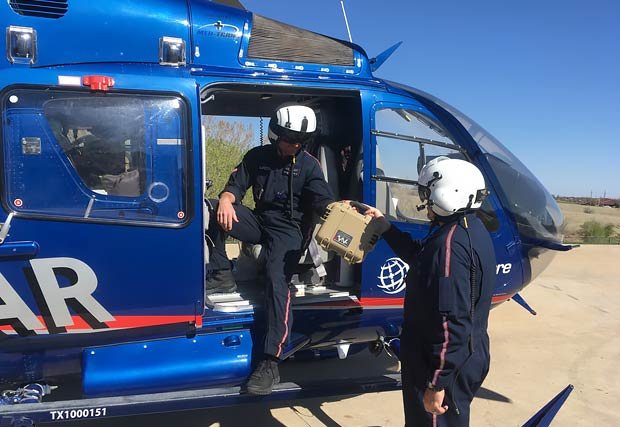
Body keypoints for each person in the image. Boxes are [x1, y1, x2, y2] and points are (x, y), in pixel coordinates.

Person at [205, 103, 335, 395]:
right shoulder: (256, 157)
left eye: (302, 141)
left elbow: (323, 201)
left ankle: (270, 361)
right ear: (276, 135)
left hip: (290, 232)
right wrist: (226, 199)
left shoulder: (310, 165)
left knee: (278, 282)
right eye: (291, 139)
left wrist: (337, 210)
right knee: (212, 209)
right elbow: (235, 187)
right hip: (261, 220)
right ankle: (221, 272)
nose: (296, 145)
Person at [363, 157, 496, 426]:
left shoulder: (450, 245)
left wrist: (437, 382)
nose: (424, 201)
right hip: (463, 354)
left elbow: (452, 321)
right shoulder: (466, 229)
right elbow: (424, 260)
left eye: (427, 193)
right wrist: (387, 228)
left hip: (440, 362)